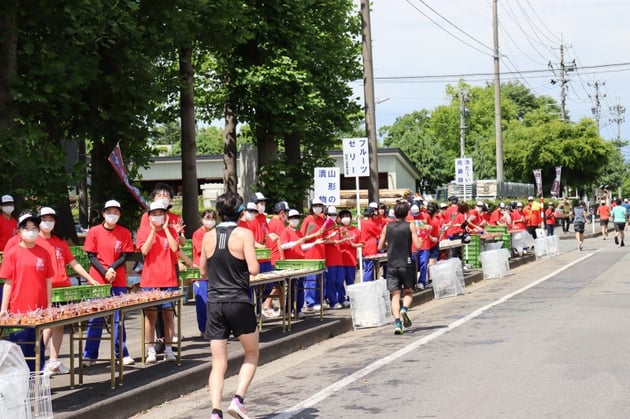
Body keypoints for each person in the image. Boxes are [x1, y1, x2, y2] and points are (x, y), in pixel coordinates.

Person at [199, 191, 260, 419]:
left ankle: (215, 411)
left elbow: (203, 271)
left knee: (218, 361)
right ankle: (238, 400)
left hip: (214, 302)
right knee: (252, 353)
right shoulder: (244, 233)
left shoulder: (207, 236)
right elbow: (253, 268)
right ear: (241, 213)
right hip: (239, 300)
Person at [35, 207, 98, 374]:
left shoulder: (59, 242)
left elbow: (73, 262)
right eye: (44, 218)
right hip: (46, 289)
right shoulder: (35, 242)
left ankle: (53, 360)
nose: (47, 222)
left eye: (50, 219)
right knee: (47, 325)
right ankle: (39, 362)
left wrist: (90, 279)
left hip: (63, 288)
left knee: (60, 325)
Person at [81, 200, 136, 366]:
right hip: (98, 279)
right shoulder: (94, 232)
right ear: (104, 213)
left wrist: (112, 268)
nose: (113, 215)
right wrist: (105, 272)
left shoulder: (124, 232)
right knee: (95, 317)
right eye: (109, 211)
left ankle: (122, 352)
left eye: (116, 212)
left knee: (118, 317)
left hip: (117, 278)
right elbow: (91, 256)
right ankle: (90, 354)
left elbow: (125, 255)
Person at [0, 211, 54, 371]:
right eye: (27, 228)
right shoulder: (12, 254)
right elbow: (8, 282)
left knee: (37, 347)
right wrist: (3, 308)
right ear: (19, 231)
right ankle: (20, 385)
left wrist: (49, 304)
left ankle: (36, 382)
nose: (31, 231)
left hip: (39, 309)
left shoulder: (43, 253)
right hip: (18, 310)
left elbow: (48, 281)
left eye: (34, 228)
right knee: (19, 349)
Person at [137, 201, 181, 363]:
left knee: (169, 316)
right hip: (150, 281)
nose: (158, 216)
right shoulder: (143, 231)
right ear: (149, 216)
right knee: (151, 317)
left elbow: (175, 248)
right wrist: (153, 231)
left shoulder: (171, 231)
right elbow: (144, 250)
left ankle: (169, 349)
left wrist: (167, 229)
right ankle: (151, 349)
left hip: (169, 279)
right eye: (154, 214)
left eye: (161, 213)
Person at [378, 200, 422, 335]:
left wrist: (388, 245)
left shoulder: (387, 227)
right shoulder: (411, 225)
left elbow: (380, 247)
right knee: (408, 292)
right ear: (407, 213)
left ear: (394, 213)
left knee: (395, 295)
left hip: (391, 264)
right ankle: (404, 310)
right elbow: (418, 245)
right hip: (406, 263)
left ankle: (397, 323)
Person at [191, 209, 216, 335]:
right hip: (201, 273)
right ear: (202, 219)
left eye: (212, 218)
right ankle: (203, 328)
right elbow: (203, 252)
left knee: (213, 302)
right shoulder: (198, 234)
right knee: (202, 302)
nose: (210, 220)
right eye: (207, 217)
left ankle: (212, 326)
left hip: (213, 273)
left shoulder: (213, 233)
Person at [300, 198, 327, 310]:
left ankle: (318, 300)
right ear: (311, 207)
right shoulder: (308, 220)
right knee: (311, 281)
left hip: (321, 253)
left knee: (320, 280)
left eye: (319, 205)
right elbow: (302, 237)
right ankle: (310, 303)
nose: (318, 208)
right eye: (315, 205)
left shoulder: (322, 219)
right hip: (310, 254)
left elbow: (323, 235)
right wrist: (315, 235)